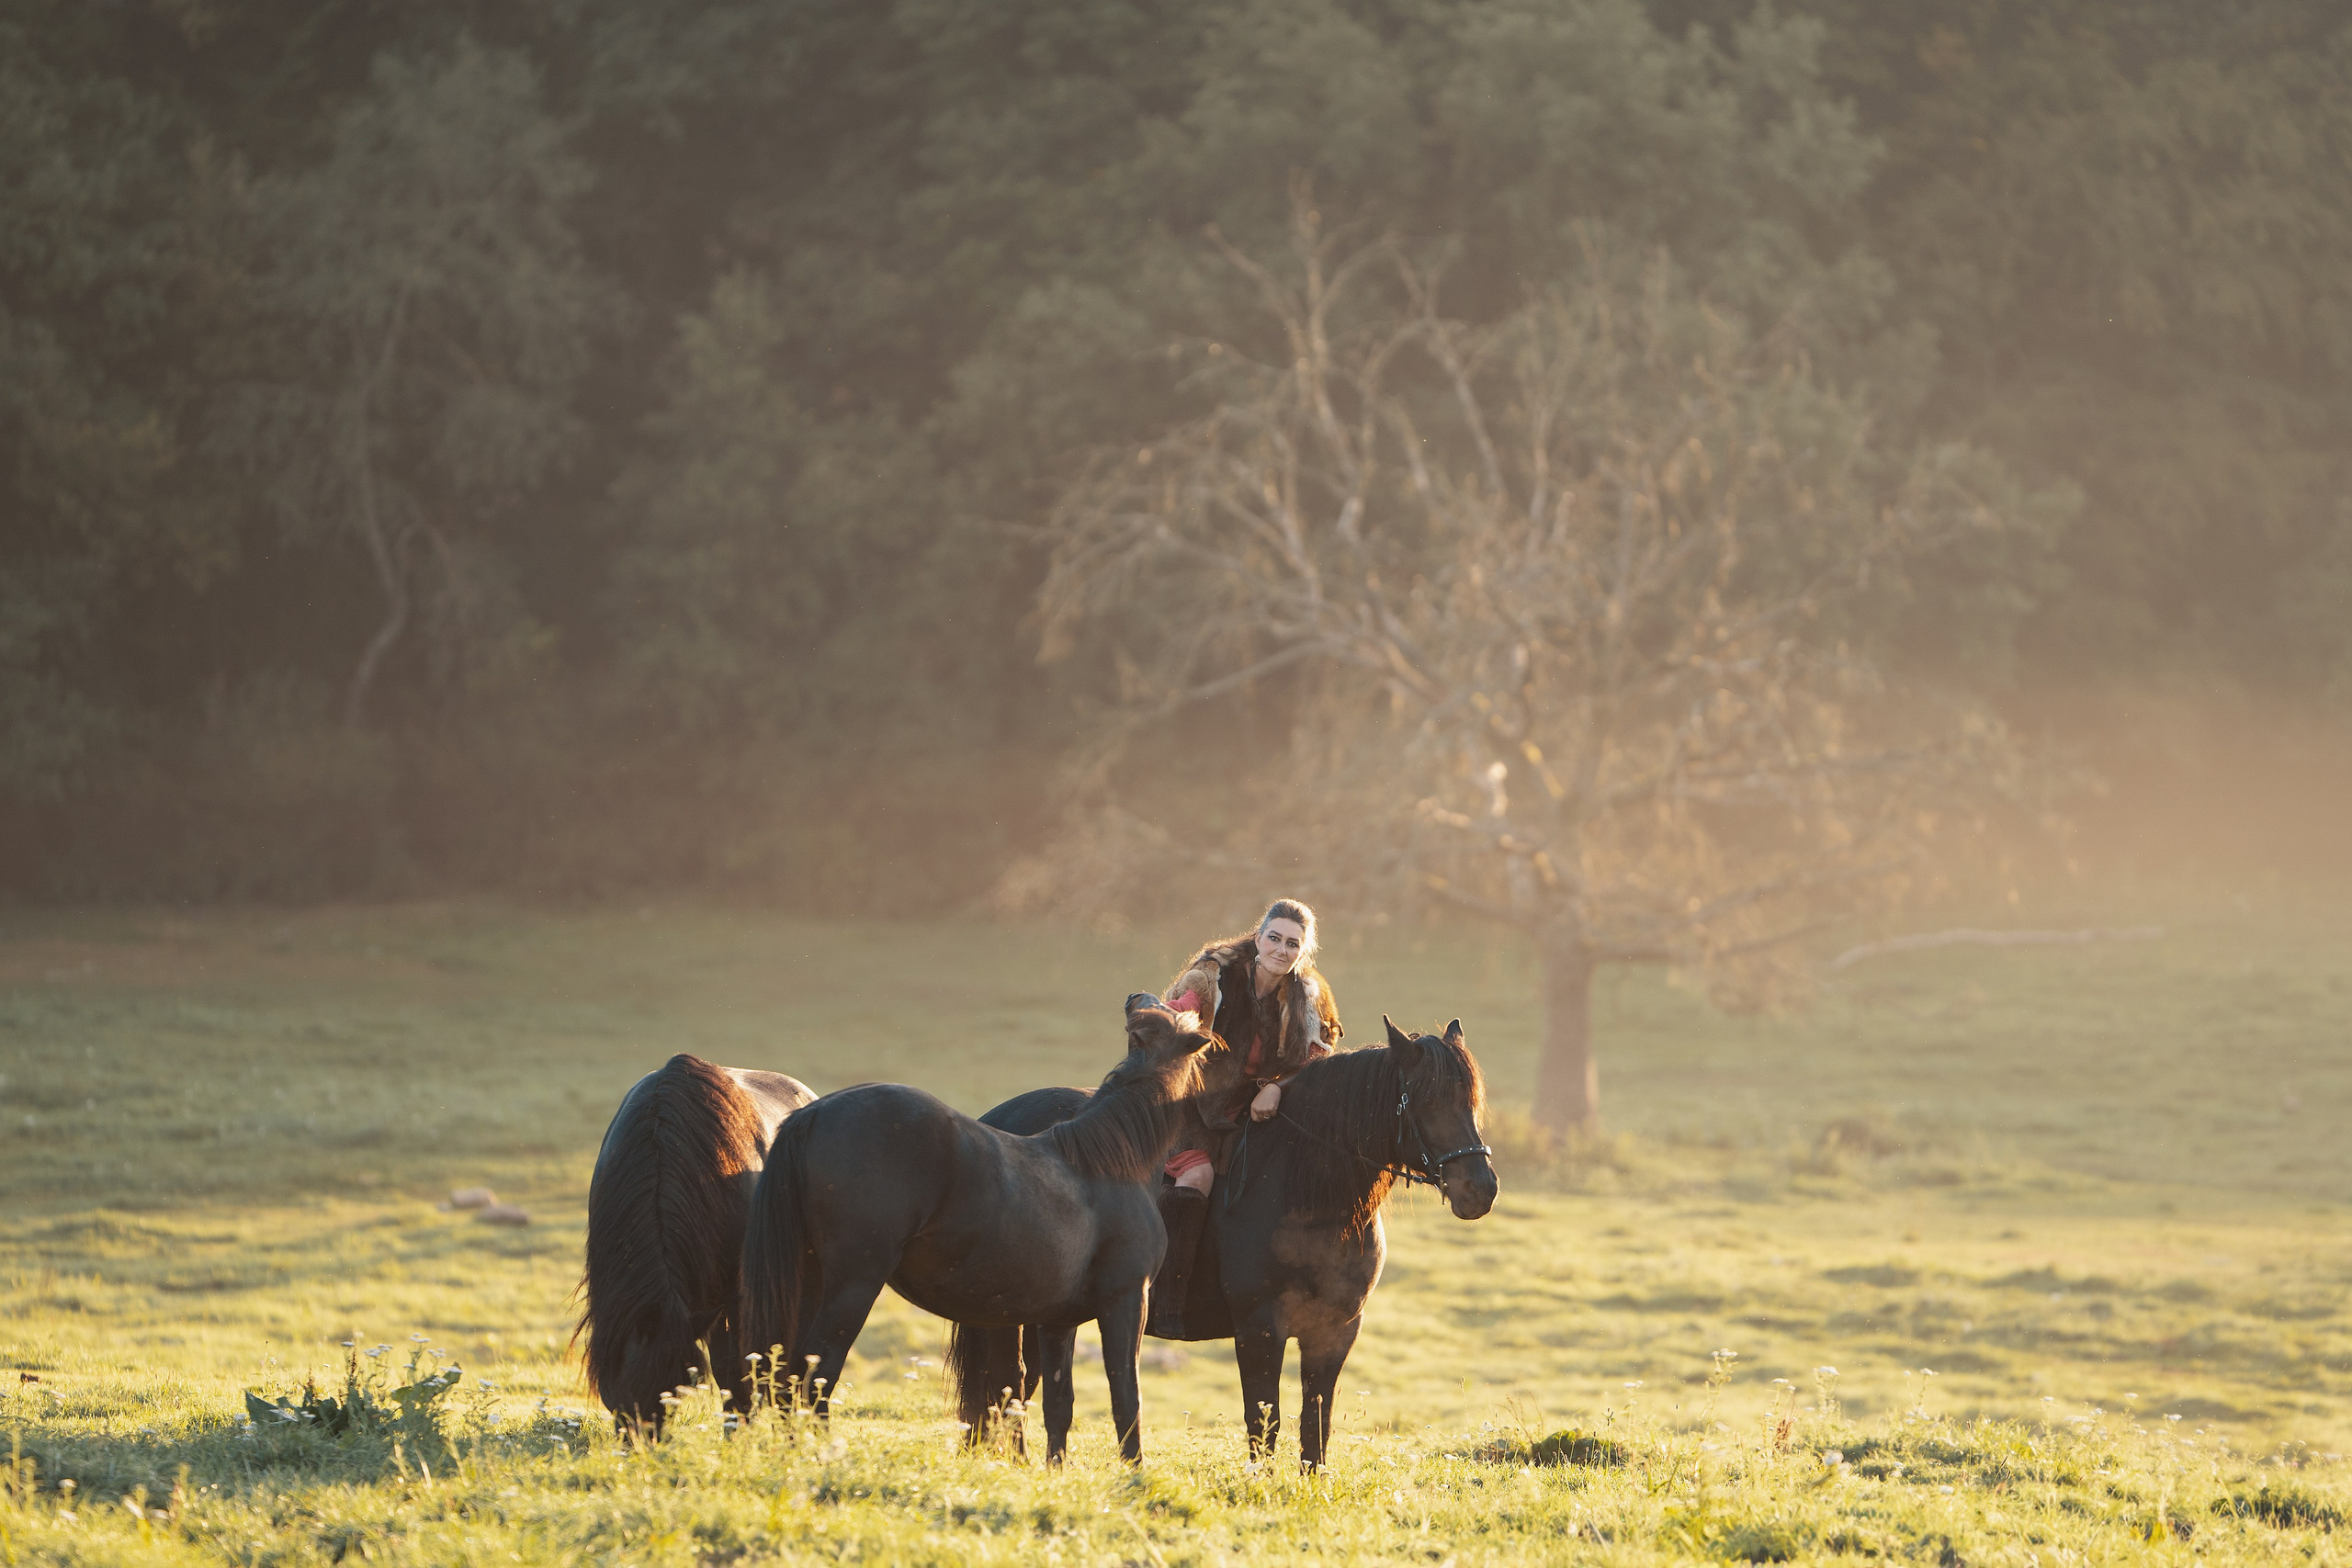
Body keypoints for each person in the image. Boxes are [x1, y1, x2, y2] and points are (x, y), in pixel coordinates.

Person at [1147, 897, 1343, 1337]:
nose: (1281, 949)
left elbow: (1319, 1057)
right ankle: (1166, 1299)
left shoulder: (1309, 996)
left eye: (1293, 944)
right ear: (1258, 938)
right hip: (1190, 1103)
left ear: (1302, 952)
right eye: (1274, 938)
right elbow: (1171, 1030)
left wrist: (1277, 1087)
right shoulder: (1210, 978)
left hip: (1260, 1108)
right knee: (1196, 1178)